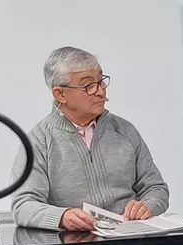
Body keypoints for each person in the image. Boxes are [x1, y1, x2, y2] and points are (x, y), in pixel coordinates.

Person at [11, 47, 169, 231]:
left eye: (101, 82)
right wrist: (62, 217)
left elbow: (156, 188)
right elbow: (23, 205)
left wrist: (148, 205)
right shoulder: (39, 140)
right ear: (60, 94)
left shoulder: (124, 130)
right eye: (88, 86)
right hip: (77, 242)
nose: (100, 92)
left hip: (131, 237)